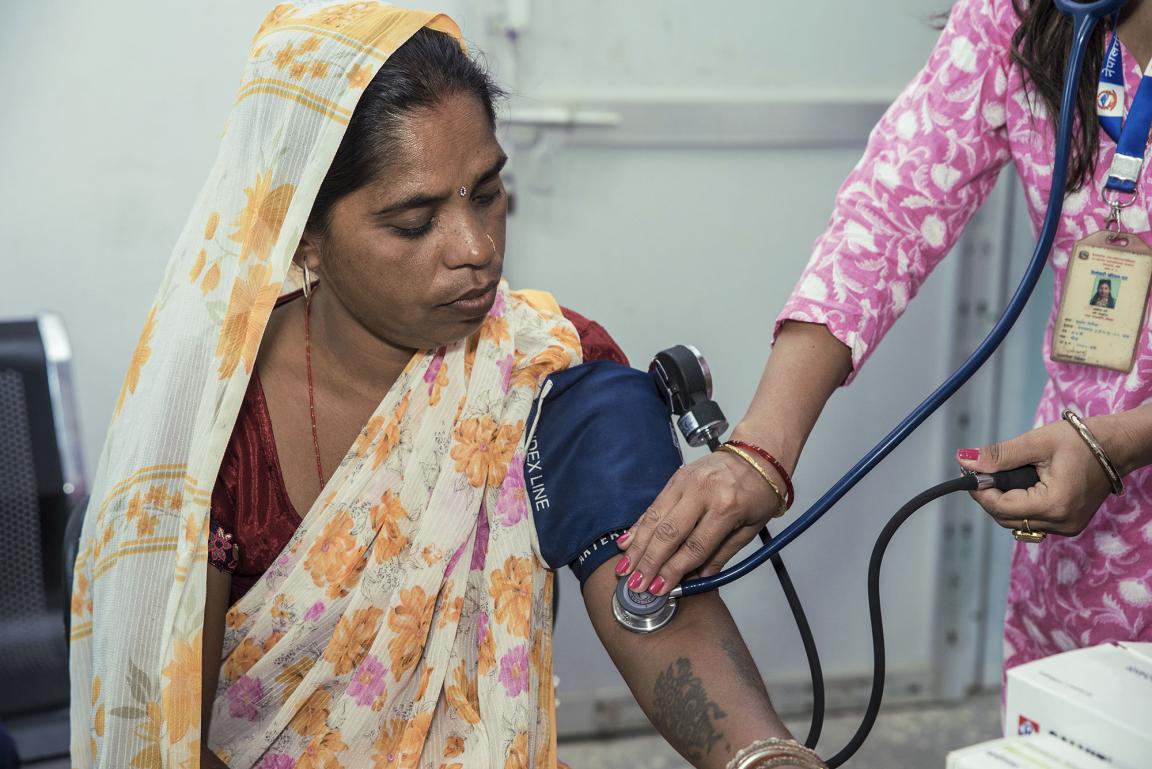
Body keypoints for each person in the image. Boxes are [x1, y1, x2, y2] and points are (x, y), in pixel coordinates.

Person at [67, 5, 826, 769]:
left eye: (487, 192)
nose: (475, 249)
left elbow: (650, 592)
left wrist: (759, 756)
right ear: (303, 235)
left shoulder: (549, 364)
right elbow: (162, 728)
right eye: (413, 220)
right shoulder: (211, 431)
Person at [618, 0, 1152, 677]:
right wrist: (763, 446)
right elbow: (891, 208)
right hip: (1082, 557)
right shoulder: (1017, 13)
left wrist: (1124, 441)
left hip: (1098, 464)